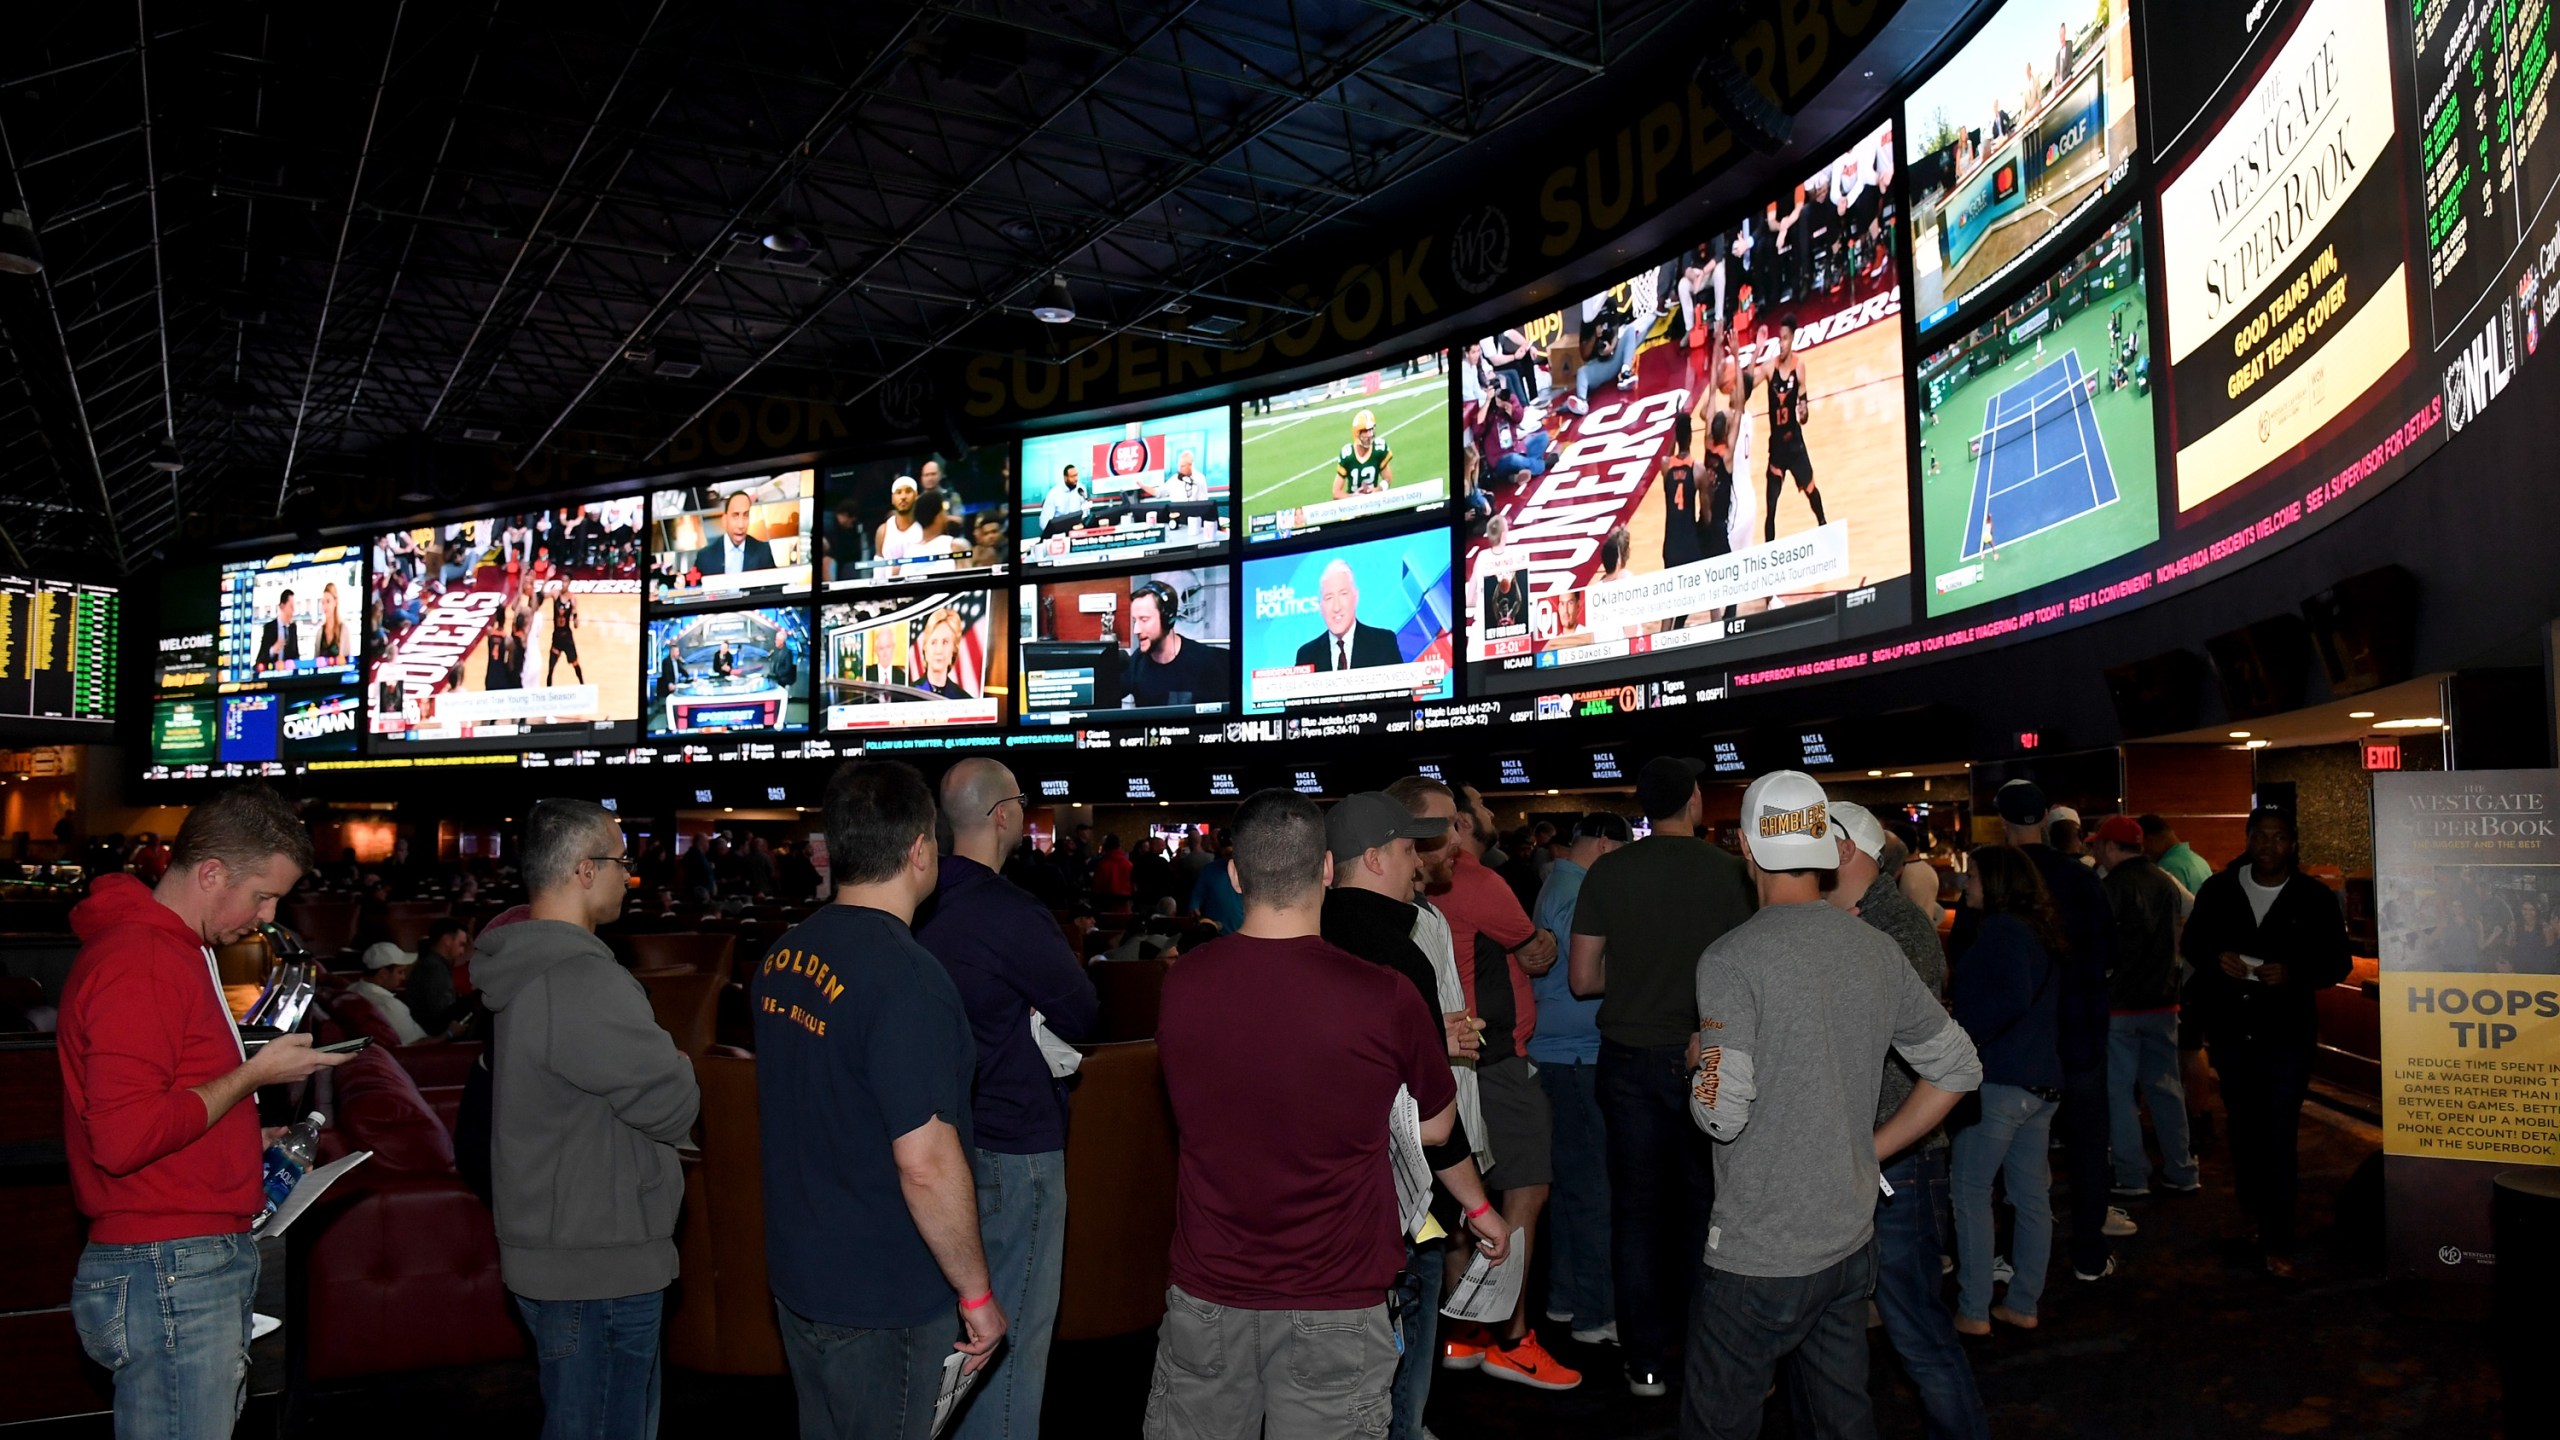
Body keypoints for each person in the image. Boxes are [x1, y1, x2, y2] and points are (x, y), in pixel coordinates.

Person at [1145, 789, 1460, 1438]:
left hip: (1211, 1288)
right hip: (1336, 1295)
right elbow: (1436, 1126)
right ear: (1324, 868)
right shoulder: (1384, 995)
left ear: (1234, 875)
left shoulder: (1184, 983)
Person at [1685, 771, 1981, 1438]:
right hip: (1849, 1239)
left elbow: (1719, 1113)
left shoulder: (1732, 959)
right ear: (1823, 844)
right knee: (1841, 1416)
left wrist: (1700, 1058)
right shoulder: (1874, 947)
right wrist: (1867, 1149)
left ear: (1744, 844)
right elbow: (1958, 1068)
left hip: (1759, 1250)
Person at [60, 785, 355, 1438]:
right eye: (262, 895)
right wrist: (254, 1074)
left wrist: (245, 1134)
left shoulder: (169, 952)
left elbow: (163, 1105)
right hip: (169, 1264)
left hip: (172, 1258)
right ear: (212, 872)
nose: (267, 915)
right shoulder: (143, 960)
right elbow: (124, 1136)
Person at [757, 763, 1007, 1437]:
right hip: (882, 1296)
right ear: (921, 851)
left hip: (800, 1277)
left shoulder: (783, 955)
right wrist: (977, 1293)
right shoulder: (908, 980)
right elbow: (925, 1162)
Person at [476, 799, 702, 1440]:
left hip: (558, 1250)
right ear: (583, 869)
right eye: (621, 861)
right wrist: (680, 1064)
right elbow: (673, 1103)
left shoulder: (521, 966)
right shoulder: (580, 978)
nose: (628, 877)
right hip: (597, 1264)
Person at [1318, 792, 1514, 1440]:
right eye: (1408, 849)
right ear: (1374, 858)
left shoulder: (1302, 938)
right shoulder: (1400, 956)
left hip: (1311, 1200)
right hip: (1393, 1202)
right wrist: (1480, 1208)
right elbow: (1431, 1115)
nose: (1418, 863)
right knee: (1400, 1360)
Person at [911, 760, 1095, 1440]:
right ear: (1004, 816)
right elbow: (1081, 1012)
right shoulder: (1012, 913)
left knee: (948, 1338)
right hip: (1015, 1144)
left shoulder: (915, 905)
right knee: (1010, 1345)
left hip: (928, 1141)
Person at [1566, 756, 1755, 1397]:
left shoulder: (1610, 871)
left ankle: (1645, 1362)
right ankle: (1710, 1355)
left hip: (1628, 1059)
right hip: (1710, 1056)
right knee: (1710, 1211)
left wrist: (1640, 970)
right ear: (1696, 801)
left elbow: (1583, 979)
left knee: (1638, 1213)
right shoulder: (1732, 873)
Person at [1825, 802, 1987, 1440]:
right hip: (1862, 1151)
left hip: (1901, 1157)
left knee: (1915, 1329)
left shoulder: (1897, 929)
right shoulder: (1839, 922)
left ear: (1843, 850)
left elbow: (1887, 1039)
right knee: (1833, 1335)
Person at [1411, 780, 1576, 1390]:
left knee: (1458, 1201)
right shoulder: (1478, 881)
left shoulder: (1417, 889)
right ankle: (1511, 1337)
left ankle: (1463, 1333)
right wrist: (1546, 940)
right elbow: (1536, 954)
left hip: (1446, 1060)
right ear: (1457, 823)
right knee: (1524, 1195)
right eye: (1478, 805)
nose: (1487, 811)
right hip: (1495, 1060)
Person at [2180, 808, 2351, 1279]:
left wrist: (2294, 974)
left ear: (2292, 844)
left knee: (2278, 1133)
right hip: (2232, 1030)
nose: (2270, 845)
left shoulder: (2313, 897)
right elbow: (2193, 942)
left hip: (2287, 1034)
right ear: (2249, 839)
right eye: (2261, 836)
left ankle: (2279, 1238)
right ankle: (2253, 1214)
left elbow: (2337, 962)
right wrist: (2219, 958)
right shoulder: (2219, 889)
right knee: (2244, 1128)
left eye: (2279, 838)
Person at [1993, 778, 2126, 1283]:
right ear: (2046, 816)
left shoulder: (1999, 878)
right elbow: (2109, 954)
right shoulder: (2081, 878)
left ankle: (2010, 1253)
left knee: (2014, 1151)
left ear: (2002, 819)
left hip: (2019, 1040)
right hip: (2081, 1033)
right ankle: (2088, 1252)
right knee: (2088, 1146)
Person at [1947, 844, 2065, 1337]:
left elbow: (2009, 997)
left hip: (2000, 1080)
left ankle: (1974, 1308)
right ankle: (2023, 1302)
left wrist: (1964, 1032)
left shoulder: (2000, 931)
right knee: (2030, 1197)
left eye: (1971, 876)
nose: (1964, 884)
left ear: (1994, 882)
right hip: (2042, 1082)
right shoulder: (2040, 931)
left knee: (1971, 1191)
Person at [1530, 812, 1631, 1347]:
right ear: (1605, 843)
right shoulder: (1575, 889)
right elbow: (1586, 973)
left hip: (1561, 1056)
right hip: (1574, 1058)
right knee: (1593, 1189)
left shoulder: (1559, 880)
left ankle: (1568, 1300)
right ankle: (1596, 1313)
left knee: (1573, 1188)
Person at [2090, 815, 2199, 1200]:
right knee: (2166, 1089)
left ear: (2109, 847)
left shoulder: (2108, 888)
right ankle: (2182, 1169)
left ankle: (2132, 1174)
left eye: (2098, 845)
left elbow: (2097, 948)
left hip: (2120, 1006)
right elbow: (2194, 913)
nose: (2095, 852)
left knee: (2119, 1093)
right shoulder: (2165, 882)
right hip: (2164, 1002)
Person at [1752, 317, 1826, 542]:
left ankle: (1824, 526)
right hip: (1776, 449)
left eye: (1785, 339)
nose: (1781, 343)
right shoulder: (1768, 368)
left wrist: (1804, 413)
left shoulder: (1799, 367)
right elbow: (1746, 385)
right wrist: (1756, 350)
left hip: (1795, 444)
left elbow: (1804, 412)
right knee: (1771, 506)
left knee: (1811, 489)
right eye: (1779, 339)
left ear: (1792, 339)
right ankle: (1768, 549)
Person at [1124, 579, 1229, 708]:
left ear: (1168, 619)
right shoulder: (1137, 662)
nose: (1136, 630)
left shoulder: (1205, 661)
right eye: (1135, 621)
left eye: (1144, 620)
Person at [1294, 559, 1402, 672]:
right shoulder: (1306, 656)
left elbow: (1401, 689)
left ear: (1356, 597)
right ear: (1320, 606)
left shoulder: (1383, 643)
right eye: (1329, 598)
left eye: (1343, 594)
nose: (1336, 608)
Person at [351, 941, 431, 1045]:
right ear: (383, 974)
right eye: (400, 972)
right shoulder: (390, 1006)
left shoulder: (352, 989)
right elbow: (417, 1045)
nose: (403, 977)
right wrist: (450, 1033)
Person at [408, 917, 473, 1031]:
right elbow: (442, 1017)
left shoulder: (431, 964)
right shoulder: (435, 969)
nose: (462, 951)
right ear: (447, 940)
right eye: (461, 944)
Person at [702, 489, 777, 574]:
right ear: (725, 520)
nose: (741, 525)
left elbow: (776, 586)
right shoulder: (705, 556)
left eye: (746, 515)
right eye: (735, 515)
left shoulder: (763, 551)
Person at [914, 607, 976, 700]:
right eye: (934, 642)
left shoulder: (965, 700)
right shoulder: (908, 695)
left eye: (945, 642)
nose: (939, 650)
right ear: (925, 648)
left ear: (954, 649)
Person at [1334, 409, 1395, 497]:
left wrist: (1378, 490)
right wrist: (1355, 497)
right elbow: (1336, 492)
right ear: (1357, 433)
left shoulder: (1379, 449)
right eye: (1365, 431)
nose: (1370, 434)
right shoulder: (1348, 455)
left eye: (1371, 429)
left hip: (1374, 503)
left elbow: (1388, 479)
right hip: (1353, 506)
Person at [545, 584, 585, 686]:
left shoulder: (572, 598)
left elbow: (576, 625)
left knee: (575, 664)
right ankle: (548, 691)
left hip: (567, 638)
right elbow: (543, 595)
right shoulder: (555, 594)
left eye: (566, 581)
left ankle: (582, 685)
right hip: (557, 637)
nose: (563, 584)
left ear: (569, 583)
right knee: (551, 668)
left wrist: (575, 614)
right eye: (562, 581)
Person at [1038, 464, 1089, 534]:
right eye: (1072, 476)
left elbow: (1085, 511)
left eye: (1076, 475)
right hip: (1058, 533)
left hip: (1077, 531)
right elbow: (1044, 521)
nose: (1076, 479)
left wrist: (1083, 523)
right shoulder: (1054, 493)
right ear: (1065, 477)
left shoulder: (1081, 489)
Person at [258, 589, 300, 668]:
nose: (293, 610)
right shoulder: (269, 628)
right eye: (291, 606)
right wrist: (273, 650)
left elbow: (296, 656)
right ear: (282, 606)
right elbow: (260, 658)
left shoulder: (293, 628)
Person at [1092, 834, 1133, 904]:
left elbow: (1097, 886)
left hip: (1106, 903)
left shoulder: (1103, 864)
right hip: (1125, 903)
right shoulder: (1128, 864)